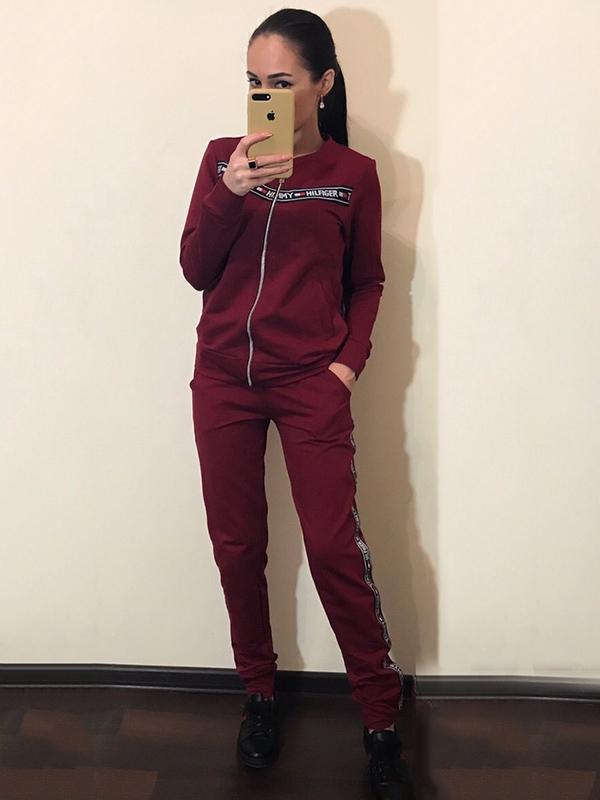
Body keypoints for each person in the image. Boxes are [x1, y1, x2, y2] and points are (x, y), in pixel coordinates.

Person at [179, 8, 415, 799]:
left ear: (324, 84)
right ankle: (259, 693)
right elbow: (195, 267)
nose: (265, 97)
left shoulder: (354, 174)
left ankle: (380, 714)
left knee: (332, 548)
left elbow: (368, 281)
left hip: (310, 380)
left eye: (281, 82)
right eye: (254, 82)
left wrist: (346, 366)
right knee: (237, 546)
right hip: (224, 379)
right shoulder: (223, 159)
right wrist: (229, 190)